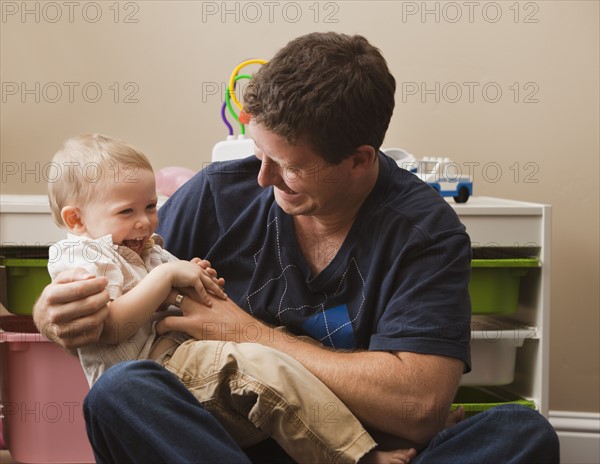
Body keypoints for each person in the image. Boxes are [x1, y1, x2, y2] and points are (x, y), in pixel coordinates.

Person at [34, 32, 560, 464]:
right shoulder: (219, 192)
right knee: (122, 391)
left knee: (520, 432)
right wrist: (53, 312)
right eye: (258, 152)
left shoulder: (424, 232)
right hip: (223, 446)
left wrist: (247, 333)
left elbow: (418, 407)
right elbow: (117, 269)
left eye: (288, 166)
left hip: (368, 446)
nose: (262, 178)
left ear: (359, 159)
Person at [45, 133, 416, 464]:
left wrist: (194, 275)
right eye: (127, 211)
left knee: (293, 353)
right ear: (76, 220)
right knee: (266, 370)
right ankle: (357, 457)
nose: (145, 222)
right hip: (157, 378)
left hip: (187, 364)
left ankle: (383, 429)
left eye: (151, 207)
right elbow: (111, 327)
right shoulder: (83, 257)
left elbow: (173, 283)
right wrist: (167, 276)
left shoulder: (145, 248)